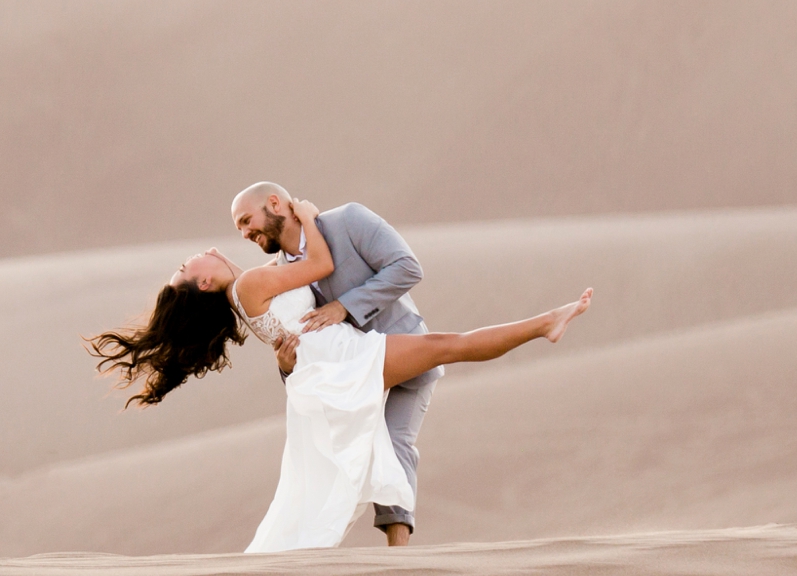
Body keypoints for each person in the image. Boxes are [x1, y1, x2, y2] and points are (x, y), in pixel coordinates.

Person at [87, 195, 592, 553]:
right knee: (448, 347)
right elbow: (322, 260)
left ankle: (399, 548)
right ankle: (546, 323)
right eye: (188, 264)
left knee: (394, 438)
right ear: (201, 280)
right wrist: (306, 212)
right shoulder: (255, 282)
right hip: (341, 358)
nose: (216, 246)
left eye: (245, 220)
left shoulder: (247, 292)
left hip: (331, 359)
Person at [230, 184, 435, 546]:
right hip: (342, 378)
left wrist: (345, 306)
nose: (245, 234)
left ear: (275, 203)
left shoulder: (347, 221)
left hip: (400, 346)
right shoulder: (279, 274)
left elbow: (407, 267)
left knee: (394, 442)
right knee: (331, 460)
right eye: (240, 229)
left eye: (247, 221)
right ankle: (312, 547)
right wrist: (286, 365)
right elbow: (295, 332)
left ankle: (400, 561)